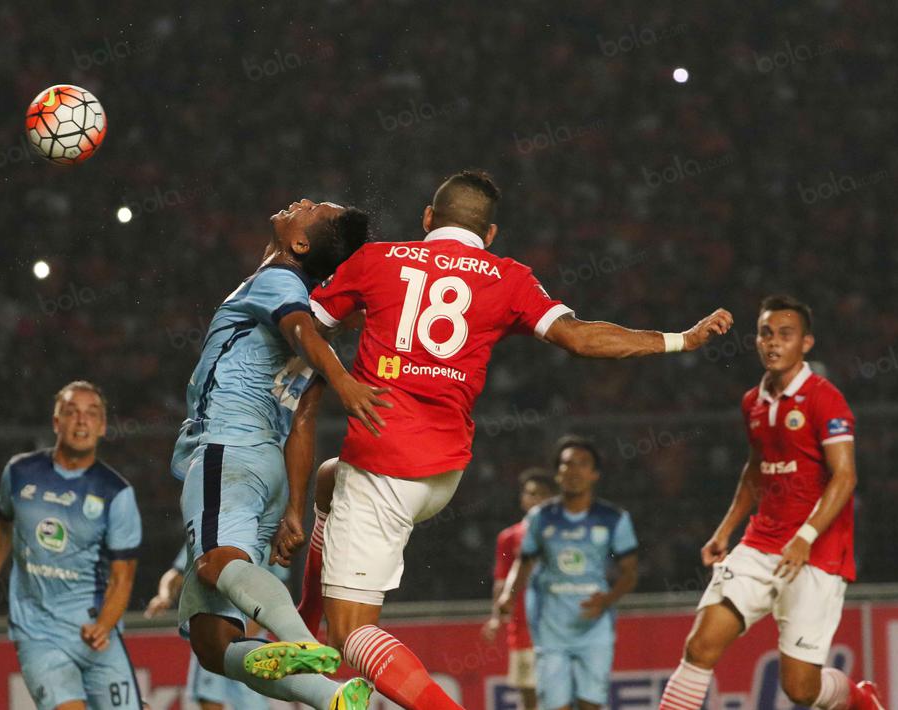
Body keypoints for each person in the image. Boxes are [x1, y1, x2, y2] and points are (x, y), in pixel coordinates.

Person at [276, 169, 734, 710]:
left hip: (384, 465)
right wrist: (682, 338)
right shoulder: (507, 276)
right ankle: (305, 616)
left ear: (428, 218)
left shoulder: (377, 259)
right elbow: (582, 337)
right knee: (329, 478)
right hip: (442, 473)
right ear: (489, 235)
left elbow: (309, 328)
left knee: (351, 634)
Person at [169, 199, 380, 710]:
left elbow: (296, 329)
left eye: (311, 208)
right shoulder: (320, 321)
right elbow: (303, 421)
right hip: (269, 469)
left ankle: (302, 643)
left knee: (217, 563)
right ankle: (331, 698)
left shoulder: (279, 280)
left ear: (300, 244)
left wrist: (344, 381)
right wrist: (292, 507)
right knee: (213, 646)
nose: (300, 203)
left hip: (228, 445)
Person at [657, 295, 884, 710]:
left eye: (785, 334)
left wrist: (806, 536)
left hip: (817, 553)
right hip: (760, 544)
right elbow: (756, 468)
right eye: (765, 333)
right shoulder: (753, 401)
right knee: (700, 646)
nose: (773, 342)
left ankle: (858, 698)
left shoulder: (824, 398)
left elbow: (846, 475)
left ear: (806, 343)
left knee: (799, 689)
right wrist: (725, 531)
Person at [0, 381, 144, 710]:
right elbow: (1, 526)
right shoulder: (20, 473)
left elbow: (123, 577)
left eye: (91, 414)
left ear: (102, 427)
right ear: (56, 422)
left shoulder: (116, 493)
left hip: (95, 631)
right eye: (71, 412)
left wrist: (104, 625)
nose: (81, 421)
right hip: (38, 632)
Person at [498, 437, 639, 710]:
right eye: (566, 464)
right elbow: (524, 562)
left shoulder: (614, 519)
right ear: (558, 473)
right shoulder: (541, 517)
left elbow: (629, 573)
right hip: (550, 629)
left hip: (594, 627)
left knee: (590, 706)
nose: (573, 471)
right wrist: (508, 595)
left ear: (595, 474)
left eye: (582, 464)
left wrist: (608, 599)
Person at [145, 544, 286, 710]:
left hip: (250, 644)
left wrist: (246, 634)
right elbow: (176, 574)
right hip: (211, 634)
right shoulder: (202, 532)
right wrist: (164, 596)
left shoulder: (264, 541)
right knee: (209, 697)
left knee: (253, 703)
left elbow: (275, 594)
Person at [482, 468, 558, 710]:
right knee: (530, 697)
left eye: (542, 494)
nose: (536, 499)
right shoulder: (509, 537)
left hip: (560, 626)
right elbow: (502, 581)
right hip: (524, 627)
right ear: (523, 499)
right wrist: (496, 618)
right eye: (531, 493)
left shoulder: (566, 532)